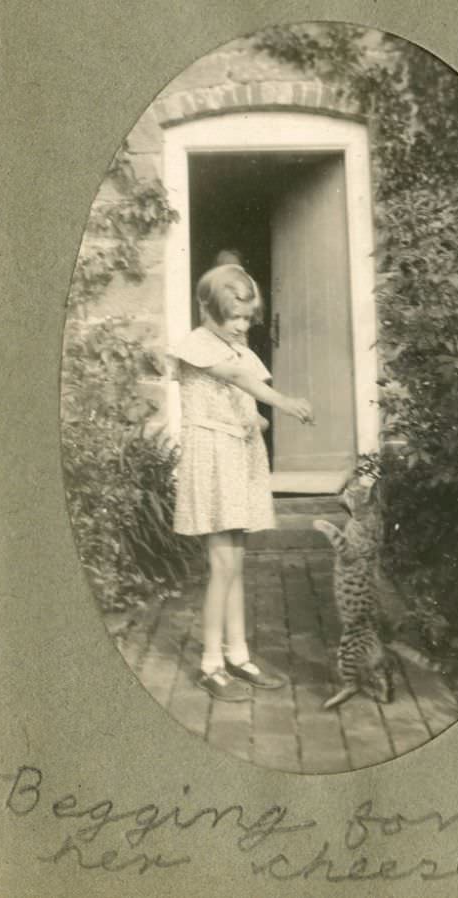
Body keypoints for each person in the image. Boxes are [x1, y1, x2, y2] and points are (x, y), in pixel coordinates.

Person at [169, 264, 314, 702]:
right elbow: (237, 381)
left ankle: (238, 654)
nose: (242, 326)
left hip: (236, 454)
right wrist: (283, 403)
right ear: (207, 310)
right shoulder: (197, 345)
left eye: (248, 318)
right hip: (213, 459)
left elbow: (239, 394)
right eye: (234, 317)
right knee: (223, 565)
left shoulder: (236, 347)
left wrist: (252, 420)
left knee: (236, 561)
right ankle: (210, 664)